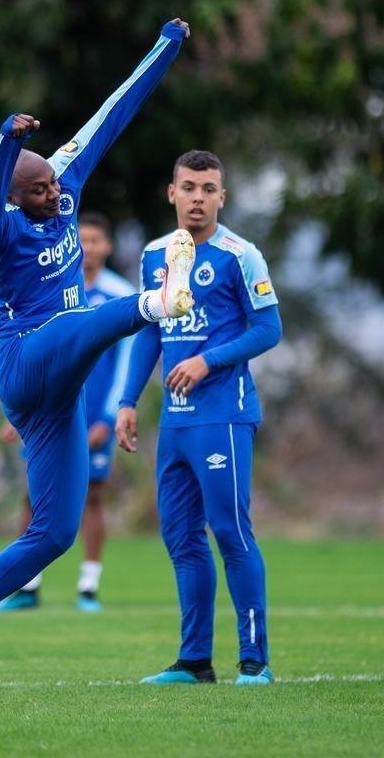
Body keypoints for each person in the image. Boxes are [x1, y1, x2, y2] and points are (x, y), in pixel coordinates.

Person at [0, 18, 194, 693]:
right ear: (15, 194)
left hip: (58, 391)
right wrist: (5, 143)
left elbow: (112, 114)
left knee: (56, 530)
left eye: (53, 187)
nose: (54, 197)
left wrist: (166, 48)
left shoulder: (63, 183)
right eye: (37, 191)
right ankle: (158, 302)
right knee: (87, 320)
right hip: (24, 364)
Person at [115, 150, 283, 685]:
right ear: (172, 193)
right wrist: (125, 401)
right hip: (176, 423)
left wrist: (207, 359)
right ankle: (194, 661)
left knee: (231, 532)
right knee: (182, 540)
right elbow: (148, 332)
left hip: (224, 416)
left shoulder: (241, 255)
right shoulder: (153, 256)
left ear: (222, 198)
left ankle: (254, 661)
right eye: (188, 187)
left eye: (209, 189)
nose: (198, 197)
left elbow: (268, 329)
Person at [0, 211, 136, 613]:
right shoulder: (55, 287)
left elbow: (127, 358)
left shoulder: (120, 293)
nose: (88, 247)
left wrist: (109, 417)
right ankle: (28, 586)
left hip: (93, 414)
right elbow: (31, 352)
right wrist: (19, 409)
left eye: (95, 241)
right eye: (82, 240)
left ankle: (88, 587)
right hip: (47, 408)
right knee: (32, 495)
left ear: (106, 246)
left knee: (93, 496)